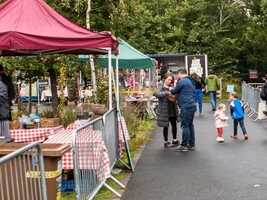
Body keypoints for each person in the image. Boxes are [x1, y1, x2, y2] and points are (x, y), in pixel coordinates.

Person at [170, 67, 196, 152]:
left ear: (180, 73)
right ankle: (191, 144)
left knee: (184, 125)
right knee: (190, 125)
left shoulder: (182, 81)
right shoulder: (190, 81)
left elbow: (174, 91)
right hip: (192, 105)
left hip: (185, 106)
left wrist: (171, 89)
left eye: (178, 74)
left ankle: (184, 145)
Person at [154, 72, 180, 148]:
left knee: (174, 125)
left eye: (171, 80)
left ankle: (175, 140)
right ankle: (166, 141)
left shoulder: (171, 86)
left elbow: (176, 95)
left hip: (172, 108)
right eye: (168, 80)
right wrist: (167, 93)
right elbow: (156, 94)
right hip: (165, 109)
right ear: (165, 79)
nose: (170, 81)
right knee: (166, 126)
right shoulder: (161, 87)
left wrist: (175, 94)